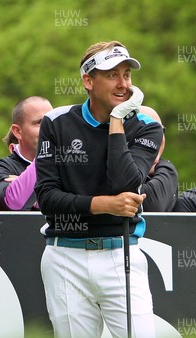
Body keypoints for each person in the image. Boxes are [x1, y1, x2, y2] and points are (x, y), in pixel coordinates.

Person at [35, 41, 162, 337]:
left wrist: (117, 119)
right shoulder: (56, 122)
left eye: (127, 75)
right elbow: (47, 197)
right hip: (65, 257)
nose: (123, 84)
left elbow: (125, 184)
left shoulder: (146, 126)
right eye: (112, 75)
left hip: (121, 254)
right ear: (88, 81)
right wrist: (105, 205)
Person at [0, 96, 53, 211]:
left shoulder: (71, 163)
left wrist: (28, 189)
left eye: (52, 121)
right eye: (39, 122)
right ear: (18, 131)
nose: (49, 128)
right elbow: (14, 202)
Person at [139, 106, 178, 212]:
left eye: (161, 131)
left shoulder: (164, 169)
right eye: (148, 131)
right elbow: (153, 204)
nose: (156, 137)